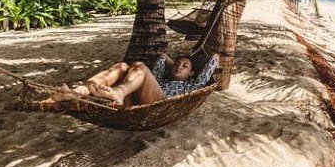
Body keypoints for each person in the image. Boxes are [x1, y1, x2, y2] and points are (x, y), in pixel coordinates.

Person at [53, 54, 215, 106]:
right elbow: (161, 58)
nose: (179, 66)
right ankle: (78, 92)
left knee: (140, 66)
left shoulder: (191, 85)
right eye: (177, 64)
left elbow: (209, 69)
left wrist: (216, 56)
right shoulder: (159, 78)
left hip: (161, 104)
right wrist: (174, 64)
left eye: (185, 66)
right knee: (123, 66)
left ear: (192, 73)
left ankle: (118, 93)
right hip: (138, 98)